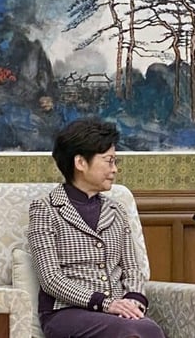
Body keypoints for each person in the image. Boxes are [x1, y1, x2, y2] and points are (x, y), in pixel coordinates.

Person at [27, 119, 166, 338]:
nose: (115, 169)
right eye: (109, 161)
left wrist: (133, 300)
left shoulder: (116, 210)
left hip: (116, 315)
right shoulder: (45, 209)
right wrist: (104, 303)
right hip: (65, 312)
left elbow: (131, 268)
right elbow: (51, 279)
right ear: (80, 163)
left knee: (148, 328)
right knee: (133, 331)